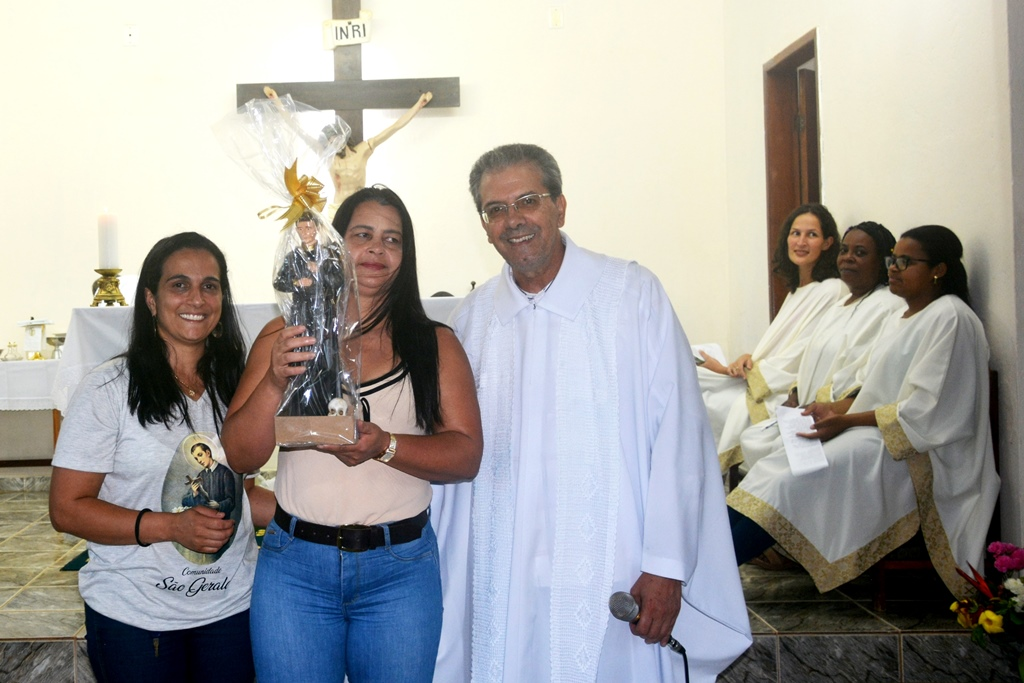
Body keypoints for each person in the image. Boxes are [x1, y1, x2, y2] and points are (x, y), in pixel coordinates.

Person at [430, 143, 751, 682]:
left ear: (560, 206)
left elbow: (680, 436)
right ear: (484, 226)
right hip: (501, 571)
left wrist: (666, 567)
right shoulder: (472, 320)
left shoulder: (631, 295)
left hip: (615, 565)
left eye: (527, 201)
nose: (513, 220)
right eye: (495, 209)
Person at [221, 185, 482, 683]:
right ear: (335, 243)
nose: (377, 249)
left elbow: (466, 456)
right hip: (295, 568)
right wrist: (275, 380)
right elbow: (239, 456)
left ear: (406, 255)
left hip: (399, 570)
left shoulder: (433, 343)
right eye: (362, 235)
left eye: (392, 239)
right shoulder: (286, 334)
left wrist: (384, 446)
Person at [727, 225, 1000, 598]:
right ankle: (705, 563)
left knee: (791, 482)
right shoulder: (901, 317)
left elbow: (926, 411)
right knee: (773, 468)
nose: (894, 269)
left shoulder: (951, 318)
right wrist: (831, 411)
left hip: (917, 453)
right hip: (875, 435)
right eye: (893, 260)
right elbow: (868, 385)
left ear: (938, 269)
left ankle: (712, 571)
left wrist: (845, 421)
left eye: (906, 262)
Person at [49, 232, 272, 683]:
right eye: (179, 284)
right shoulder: (108, 389)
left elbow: (244, 496)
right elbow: (66, 509)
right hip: (136, 616)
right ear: (151, 299)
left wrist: (317, 511)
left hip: (231, 609)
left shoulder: (236, 386)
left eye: (210, 286)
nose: (197, 298)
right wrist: (171, 526)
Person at [732, 221, 905, 473]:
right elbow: (810, 358)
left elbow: (862, 374)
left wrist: (822, 407)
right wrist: (794, 395)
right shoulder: (840, 305)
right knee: (753, 438)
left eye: (860, 253)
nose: (848, 258)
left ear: (883, 261)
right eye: (844, 251)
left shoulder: (887, 306)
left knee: (774, 461)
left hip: (837, 420)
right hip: (807, 411)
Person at [699, 203, 845, 472]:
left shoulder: (832, 290)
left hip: (784, 388)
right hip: (763, 377)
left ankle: (708, 475)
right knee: (694, 376)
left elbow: (803, 353)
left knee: (712, 401)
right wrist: (748, 359)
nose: (801, 242)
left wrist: (742, 370)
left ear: (827, 243)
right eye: (795, 233)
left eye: (811, 235)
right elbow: (781, 346)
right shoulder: (796, 292)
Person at [272, 210, 348, 416]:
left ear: (317, 228)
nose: (305, 232)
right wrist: (297, 282)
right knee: (302, 361)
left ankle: (328, 408)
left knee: (326, 361)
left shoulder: (328, 255)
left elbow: (339, 282)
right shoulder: (293, 257)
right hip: (302, 315)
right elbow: (279, 282)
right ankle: (302, 410)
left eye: (308, 227)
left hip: (325, 317)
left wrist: (319, 274)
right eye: (300, 229)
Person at [324, 92, 433, 221]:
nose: (335, 144)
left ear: (343, 135)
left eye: (336, 139)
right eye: (331, 143)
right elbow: (307, 139)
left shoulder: (363, 150)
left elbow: (394, 127)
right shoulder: (331, 159)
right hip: (338, 208)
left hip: (359, 206)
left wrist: (418, 106)